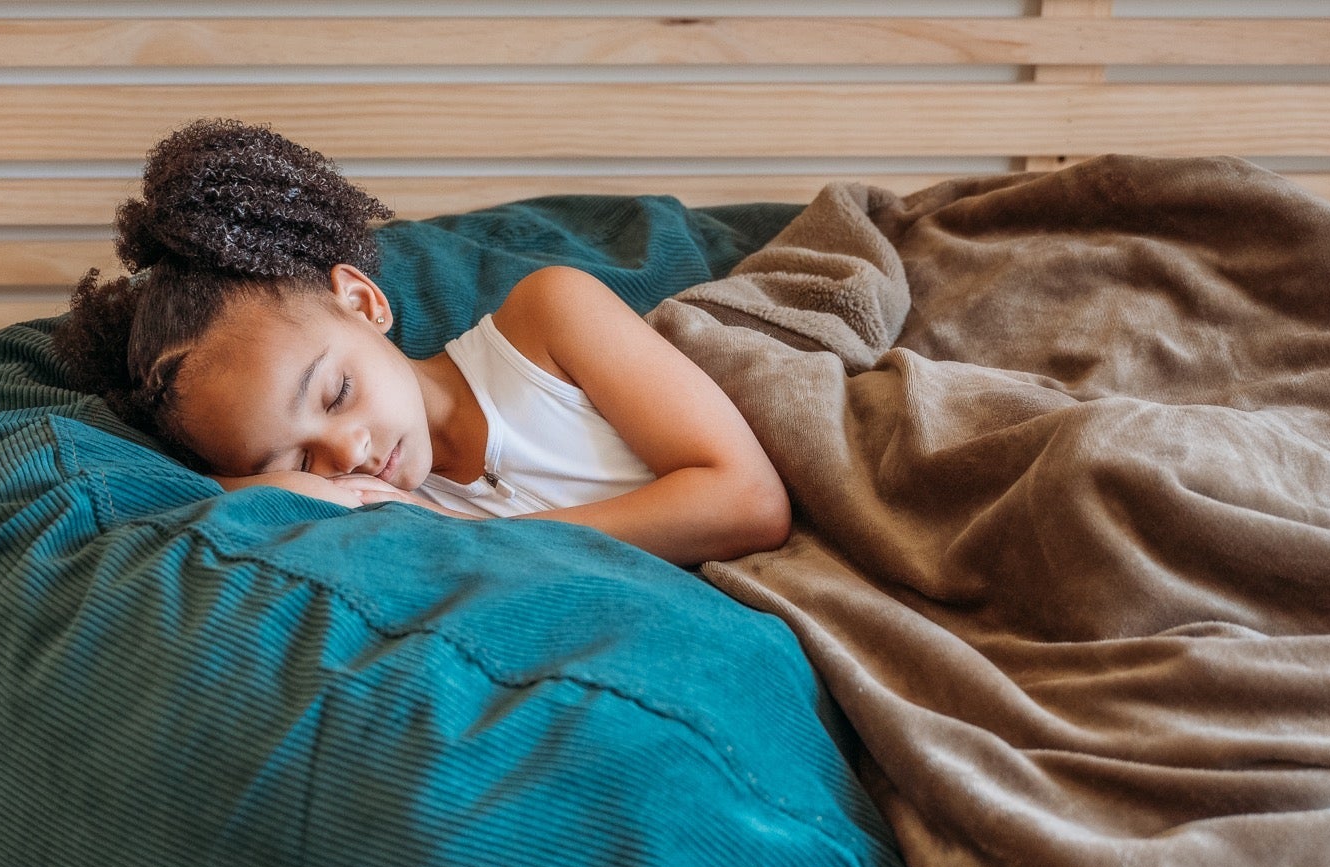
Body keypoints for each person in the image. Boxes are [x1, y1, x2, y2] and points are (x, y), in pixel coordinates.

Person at [52, 120, 792, 569]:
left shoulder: (547, 321)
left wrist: (476, 540)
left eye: (335, 393)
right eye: (295, 458)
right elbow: (168, 505)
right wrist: (263, 486)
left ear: (365, 302)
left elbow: (749, 502)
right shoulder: (373, 511)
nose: (345, 455)